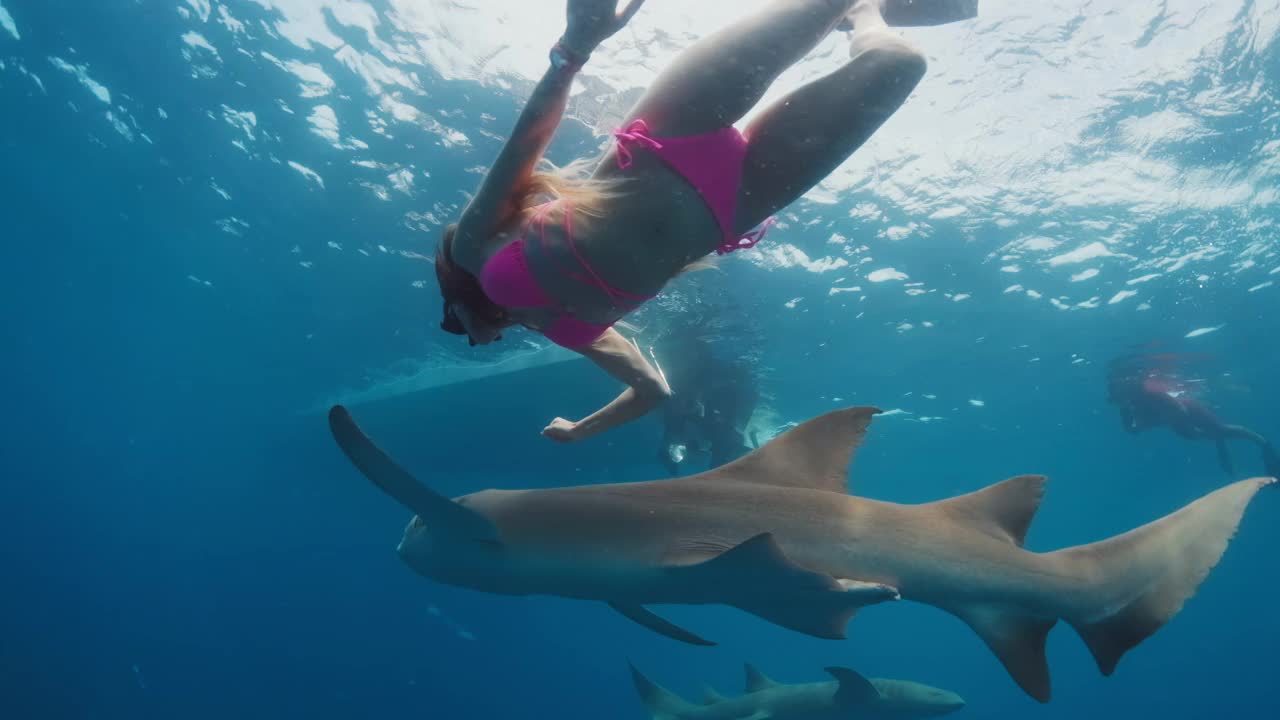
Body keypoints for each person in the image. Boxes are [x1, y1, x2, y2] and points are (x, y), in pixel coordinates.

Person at [434, 0, 977, 443]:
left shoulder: (474, 248)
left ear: (454, 298)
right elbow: (654, 392)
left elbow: (526, 139)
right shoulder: (570, 332)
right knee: (900, 65)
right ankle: (868, 14)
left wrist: (573, 49)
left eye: (456, 327)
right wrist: (580, 430)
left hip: (666, 137)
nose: (477, 341)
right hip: (737, 203)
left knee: (815, 7)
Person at [1107, 352, 1280, 477]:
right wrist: (1133, 420)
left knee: (1220, 430)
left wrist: (1155, 421)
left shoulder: (1151, 394)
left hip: (1191, 411)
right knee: (1204, 436)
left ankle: (1263, 443)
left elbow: (1179, 410)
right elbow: (1133, 429)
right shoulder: (1129, 405)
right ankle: (1222, 447)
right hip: (1176, 422)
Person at [653, 333, 761, 475]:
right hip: (701, 415)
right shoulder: (678, 374)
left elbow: (744, 388)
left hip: (717, 413)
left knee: (722, 439)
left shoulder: (720, 372)